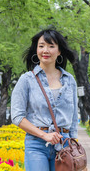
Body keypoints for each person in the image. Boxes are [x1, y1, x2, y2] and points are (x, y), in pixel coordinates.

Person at [11, 28, 78, 171]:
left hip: (64, 144)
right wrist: (44, 135)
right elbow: (17, 116)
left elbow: (73, 117)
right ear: (36, 50)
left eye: (51, 46)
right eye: (41, 46)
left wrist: (73, 144)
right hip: (36, 145)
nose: (45, 50)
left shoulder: (69, 80)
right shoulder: (26, 80)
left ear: (59, 51)